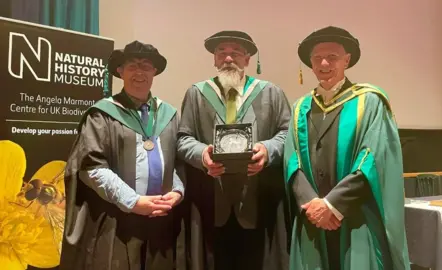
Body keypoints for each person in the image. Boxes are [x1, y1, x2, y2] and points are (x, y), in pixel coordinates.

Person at [284, 26, 411, 269]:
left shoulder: (370, 101)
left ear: (347, 60)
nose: (324, 63)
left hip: (354, 216)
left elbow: (371, 159)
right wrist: (313, 205)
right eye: (317, 58)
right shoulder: (301, 107)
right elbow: (292, 160)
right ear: (310, 64)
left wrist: (332, 205)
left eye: (332, 57)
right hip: (313, 219)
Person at [60, 40, 185, 270]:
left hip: (161, 220)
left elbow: (177, 163)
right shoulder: (103, 114)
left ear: (154, 71)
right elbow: (91, 167)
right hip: (118, 220)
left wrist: (177, 191)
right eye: (133, 66)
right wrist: (133, 201)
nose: (140, 72)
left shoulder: (169, 114)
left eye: (146, 66)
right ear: (120, 71)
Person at [176, 30, 291, 270]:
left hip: (259, 200)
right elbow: (183, 138)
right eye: (222, 53)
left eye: (236, 53)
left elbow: (287, 134)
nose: (229, 58)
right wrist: (201, 155)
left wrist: (268, 150)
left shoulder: (271, 93)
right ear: (214, 59)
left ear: (248, 59)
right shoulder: (197, 94)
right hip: (211, 201)